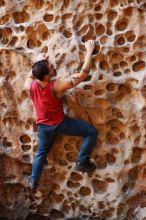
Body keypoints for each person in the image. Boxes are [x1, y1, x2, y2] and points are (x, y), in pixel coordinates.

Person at [25, 40, 98, 190]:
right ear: (46, 76)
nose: (52, 66)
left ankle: (33, 181)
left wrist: (39, 61)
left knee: (41, 153)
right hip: (61, 124)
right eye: (50, 67)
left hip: (44, 128)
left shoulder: (29, 86)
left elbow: (30, 75)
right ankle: (82, 161)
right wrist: (89, 51)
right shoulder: (56, 86)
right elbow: (83, 74)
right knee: (92, 132)